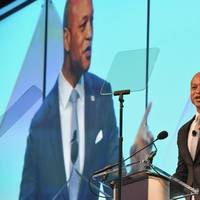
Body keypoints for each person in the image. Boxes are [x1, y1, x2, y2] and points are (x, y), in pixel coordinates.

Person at [19, 0, 118, 199]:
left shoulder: (102, 94)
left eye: (92, 23)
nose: (90, 34)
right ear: (66, 38)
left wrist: (136, 162)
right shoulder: (39, 123)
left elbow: (114, 180)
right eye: (83, 25)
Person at [174, 72, 200, 200]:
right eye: (194, 88)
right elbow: (182, 173)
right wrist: (160, 185)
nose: (198, 92)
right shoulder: (184, 131)